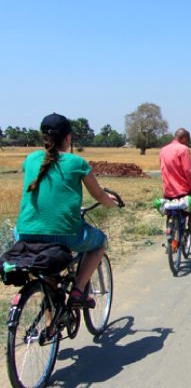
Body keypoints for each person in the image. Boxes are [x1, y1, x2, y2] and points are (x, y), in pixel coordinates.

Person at [14, 113, 120, 308]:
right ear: (68, 138)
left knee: (49, 278)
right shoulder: (77, 162)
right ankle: (78, 291)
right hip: (64, 234)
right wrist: (111, 203)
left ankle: (50, 326)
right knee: (99, 243)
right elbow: (98, 194)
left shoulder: (30, 159)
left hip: (24, 234)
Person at [159, 128, 191, 236]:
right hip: (182, 191)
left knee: (169, 209)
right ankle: (190, 222)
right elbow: (188, 171)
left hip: (168, 191)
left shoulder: (163, 150)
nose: (188, 143)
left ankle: (169, 227)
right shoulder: (183, 149)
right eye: (188, 140)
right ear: (183, 138)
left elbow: (162, 170)